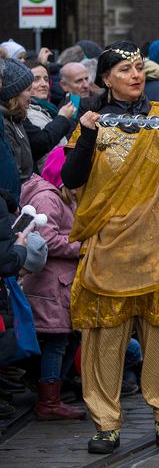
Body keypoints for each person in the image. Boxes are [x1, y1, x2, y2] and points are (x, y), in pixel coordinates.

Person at [61, 41, 159, 454]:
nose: (135, 75)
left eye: (139, 68)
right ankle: (105, 423)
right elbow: (73, 178)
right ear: (105, 78)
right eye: (124, 70)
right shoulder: (92, 122)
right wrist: (88, 135)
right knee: (105, 339)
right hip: (110, 248)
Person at [20, 148, 86, 421]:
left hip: (59, 283)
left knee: (67, 338)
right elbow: (46, 240)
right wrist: (82, 247)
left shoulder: (58, 195)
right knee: (58, 341)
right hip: (52, 285)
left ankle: (52, 388)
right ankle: (49, 400)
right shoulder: (50, 198)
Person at [1, 58, 76, 182]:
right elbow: (40, 143)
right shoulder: (16, 117)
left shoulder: (19, 115)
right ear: (15, 92)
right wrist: (62, 118)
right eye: (36, 80)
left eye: (46, 79)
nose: (43, 84)